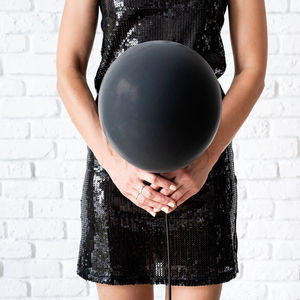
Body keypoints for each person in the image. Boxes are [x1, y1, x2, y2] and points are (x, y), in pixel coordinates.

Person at [56, 0, 267, 299]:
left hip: (200, 170)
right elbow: (68, 68)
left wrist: (205, 160)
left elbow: (253, 70)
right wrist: (115, 165)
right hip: (116, 170)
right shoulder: (116, 167)